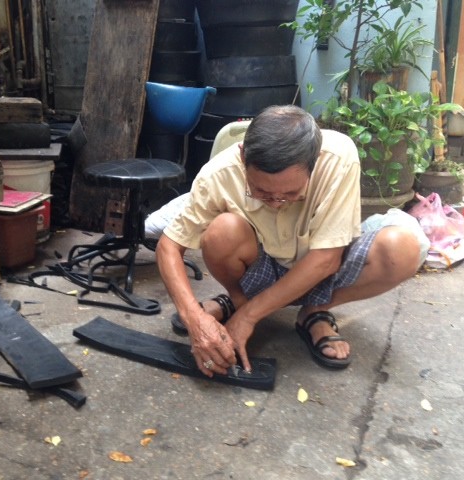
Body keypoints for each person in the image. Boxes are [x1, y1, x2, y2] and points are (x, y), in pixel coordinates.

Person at [155, 105, 427, 377]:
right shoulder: (218, 174)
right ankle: (238, 300)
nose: (276, 202)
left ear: (315, 160)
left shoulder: (338, 157)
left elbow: (326, 260)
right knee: (221, 231)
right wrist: (195, 319)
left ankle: (314, 311)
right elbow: (168, 246)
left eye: (290, 192)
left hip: (323, 266)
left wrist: (247, 318)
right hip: (263, 263)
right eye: (261, 191)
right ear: (242, 156)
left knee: (401, 250)